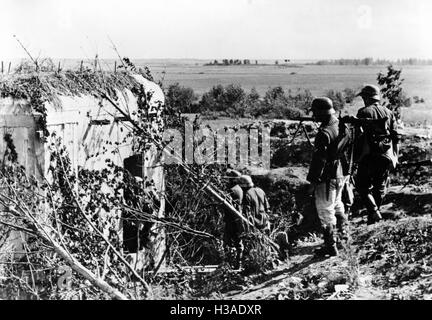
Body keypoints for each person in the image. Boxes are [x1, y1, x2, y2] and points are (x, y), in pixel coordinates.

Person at [306, 97, 350, 257]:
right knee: (338, 205)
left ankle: (330, 246)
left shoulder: (324, 133)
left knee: (325, 211)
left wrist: (312, 182)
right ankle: (343, 238)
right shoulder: (341, 125)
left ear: (321, 112)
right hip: (340, 173)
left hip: (327, 176)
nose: (314, 116)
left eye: (315, 113)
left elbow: (319, 162)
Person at [354, 84, 400, 225]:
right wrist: (395, 157)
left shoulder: (363, 112)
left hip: (368, 156)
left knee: (362, 186)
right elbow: (396, 137)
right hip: (385, 156)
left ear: (367, 98)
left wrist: (356, 156)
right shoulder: (389, 112)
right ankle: (373, 218)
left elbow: (358, 137)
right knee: (379, 187)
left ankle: (374, 212)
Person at [222, 169, 244, 269]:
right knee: (238, 241)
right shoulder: (239, 189)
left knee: (228, 241)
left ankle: (230, 264)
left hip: (231, 218)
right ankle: (237, 263)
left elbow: (226, 205)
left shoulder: (231, 190)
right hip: (237, 218)